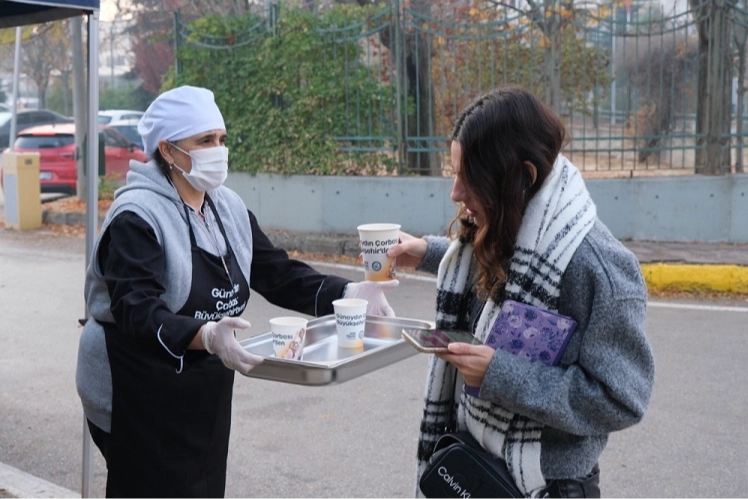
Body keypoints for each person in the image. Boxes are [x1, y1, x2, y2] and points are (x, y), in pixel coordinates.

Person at [75, 85, 397, 498]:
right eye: (205, 140)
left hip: (203, 381)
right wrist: (206, 334)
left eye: (222, 139)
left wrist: (350, 292)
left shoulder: (225, 206)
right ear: (168, 151)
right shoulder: (136, 217)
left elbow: (277, 272)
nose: (218, 150)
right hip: (134, 384)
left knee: (202, 486)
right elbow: (139, 313)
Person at [388, 86, 655, 498]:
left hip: (547, 487)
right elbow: (501, 268)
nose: (455, 193)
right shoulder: (517, 227)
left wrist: (498, 375)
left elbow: (620, 400)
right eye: (454, 172)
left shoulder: (599, 269)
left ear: (524, 177)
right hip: (478, 463)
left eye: (468, 177)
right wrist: (426, 253)